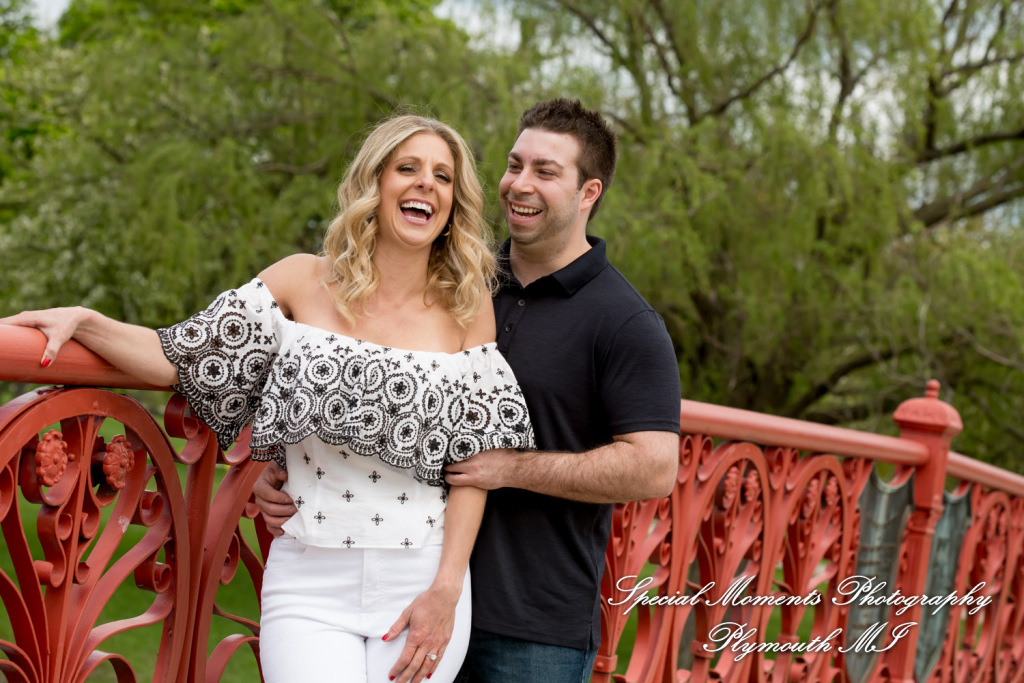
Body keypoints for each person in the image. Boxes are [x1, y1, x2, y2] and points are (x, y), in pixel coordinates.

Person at [0, 114, 534, 683]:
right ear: (374, 184)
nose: (426, 183)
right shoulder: (302, 281)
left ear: (453, 202)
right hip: (308, 579)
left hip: (420, 579)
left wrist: (448, 589)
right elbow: (182, 355)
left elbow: (473, 468)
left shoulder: (467, 305)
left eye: (443, 176)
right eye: (408, 168)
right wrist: (87, 322)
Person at [254, 99, 682, 682]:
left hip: (529, 626)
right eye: (514, 164)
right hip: (403, 589)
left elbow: (654, 469)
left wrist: (512, 468)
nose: (520, 184)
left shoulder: (624, 322)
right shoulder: (452, 283)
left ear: (589, 194)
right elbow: (348, 381)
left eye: (546, 172)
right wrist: (280, 463)